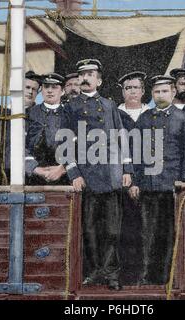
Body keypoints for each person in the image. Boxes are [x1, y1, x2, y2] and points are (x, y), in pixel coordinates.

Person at [64, 58, 132, 290]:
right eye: (82, 74)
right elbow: (64, 142)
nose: (85, 78)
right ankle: (94, 271)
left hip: (111, 174)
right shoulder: (71, 106)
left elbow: (121, 135)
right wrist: (74, 173)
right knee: (90, 229)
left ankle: (111, 273)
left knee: (113, 229)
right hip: (88, 176)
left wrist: (127, 168)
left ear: (99, 80)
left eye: (90, 74)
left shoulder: (109, 104)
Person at [129, 75, 185, 285]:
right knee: (146, 232)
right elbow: (135, 152)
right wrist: (135, 182)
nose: (161, 95)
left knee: (168, 233)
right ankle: (147, 277)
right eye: (157, 92)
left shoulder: (183, 118)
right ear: (151, 94)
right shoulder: (144, 118)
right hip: (148, 186)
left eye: (165, 91)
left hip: (172, 186)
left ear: (173, 92)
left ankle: (168, 278)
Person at [116, 71, 149, 285]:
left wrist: (140, 181)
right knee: (123, 229)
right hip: (121, 180)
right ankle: (125, 274)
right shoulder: (115, 114)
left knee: (146, 228)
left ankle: (144, 274)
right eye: (128, 88)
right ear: (122, 91)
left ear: (143, 91)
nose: (132, 91)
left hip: (148, 179)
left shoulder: (152, 114)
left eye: (136, 87)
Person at [25, 72, 68, 185]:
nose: (50, 91)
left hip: (63, 176)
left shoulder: (70, 114)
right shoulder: (30, 113)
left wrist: (63, 168)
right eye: (46, 87)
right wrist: (34, 168)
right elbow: (20, 144)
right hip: (34, 176)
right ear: (41, 90)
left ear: (63, 91)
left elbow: (77, 146)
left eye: (54, 87)